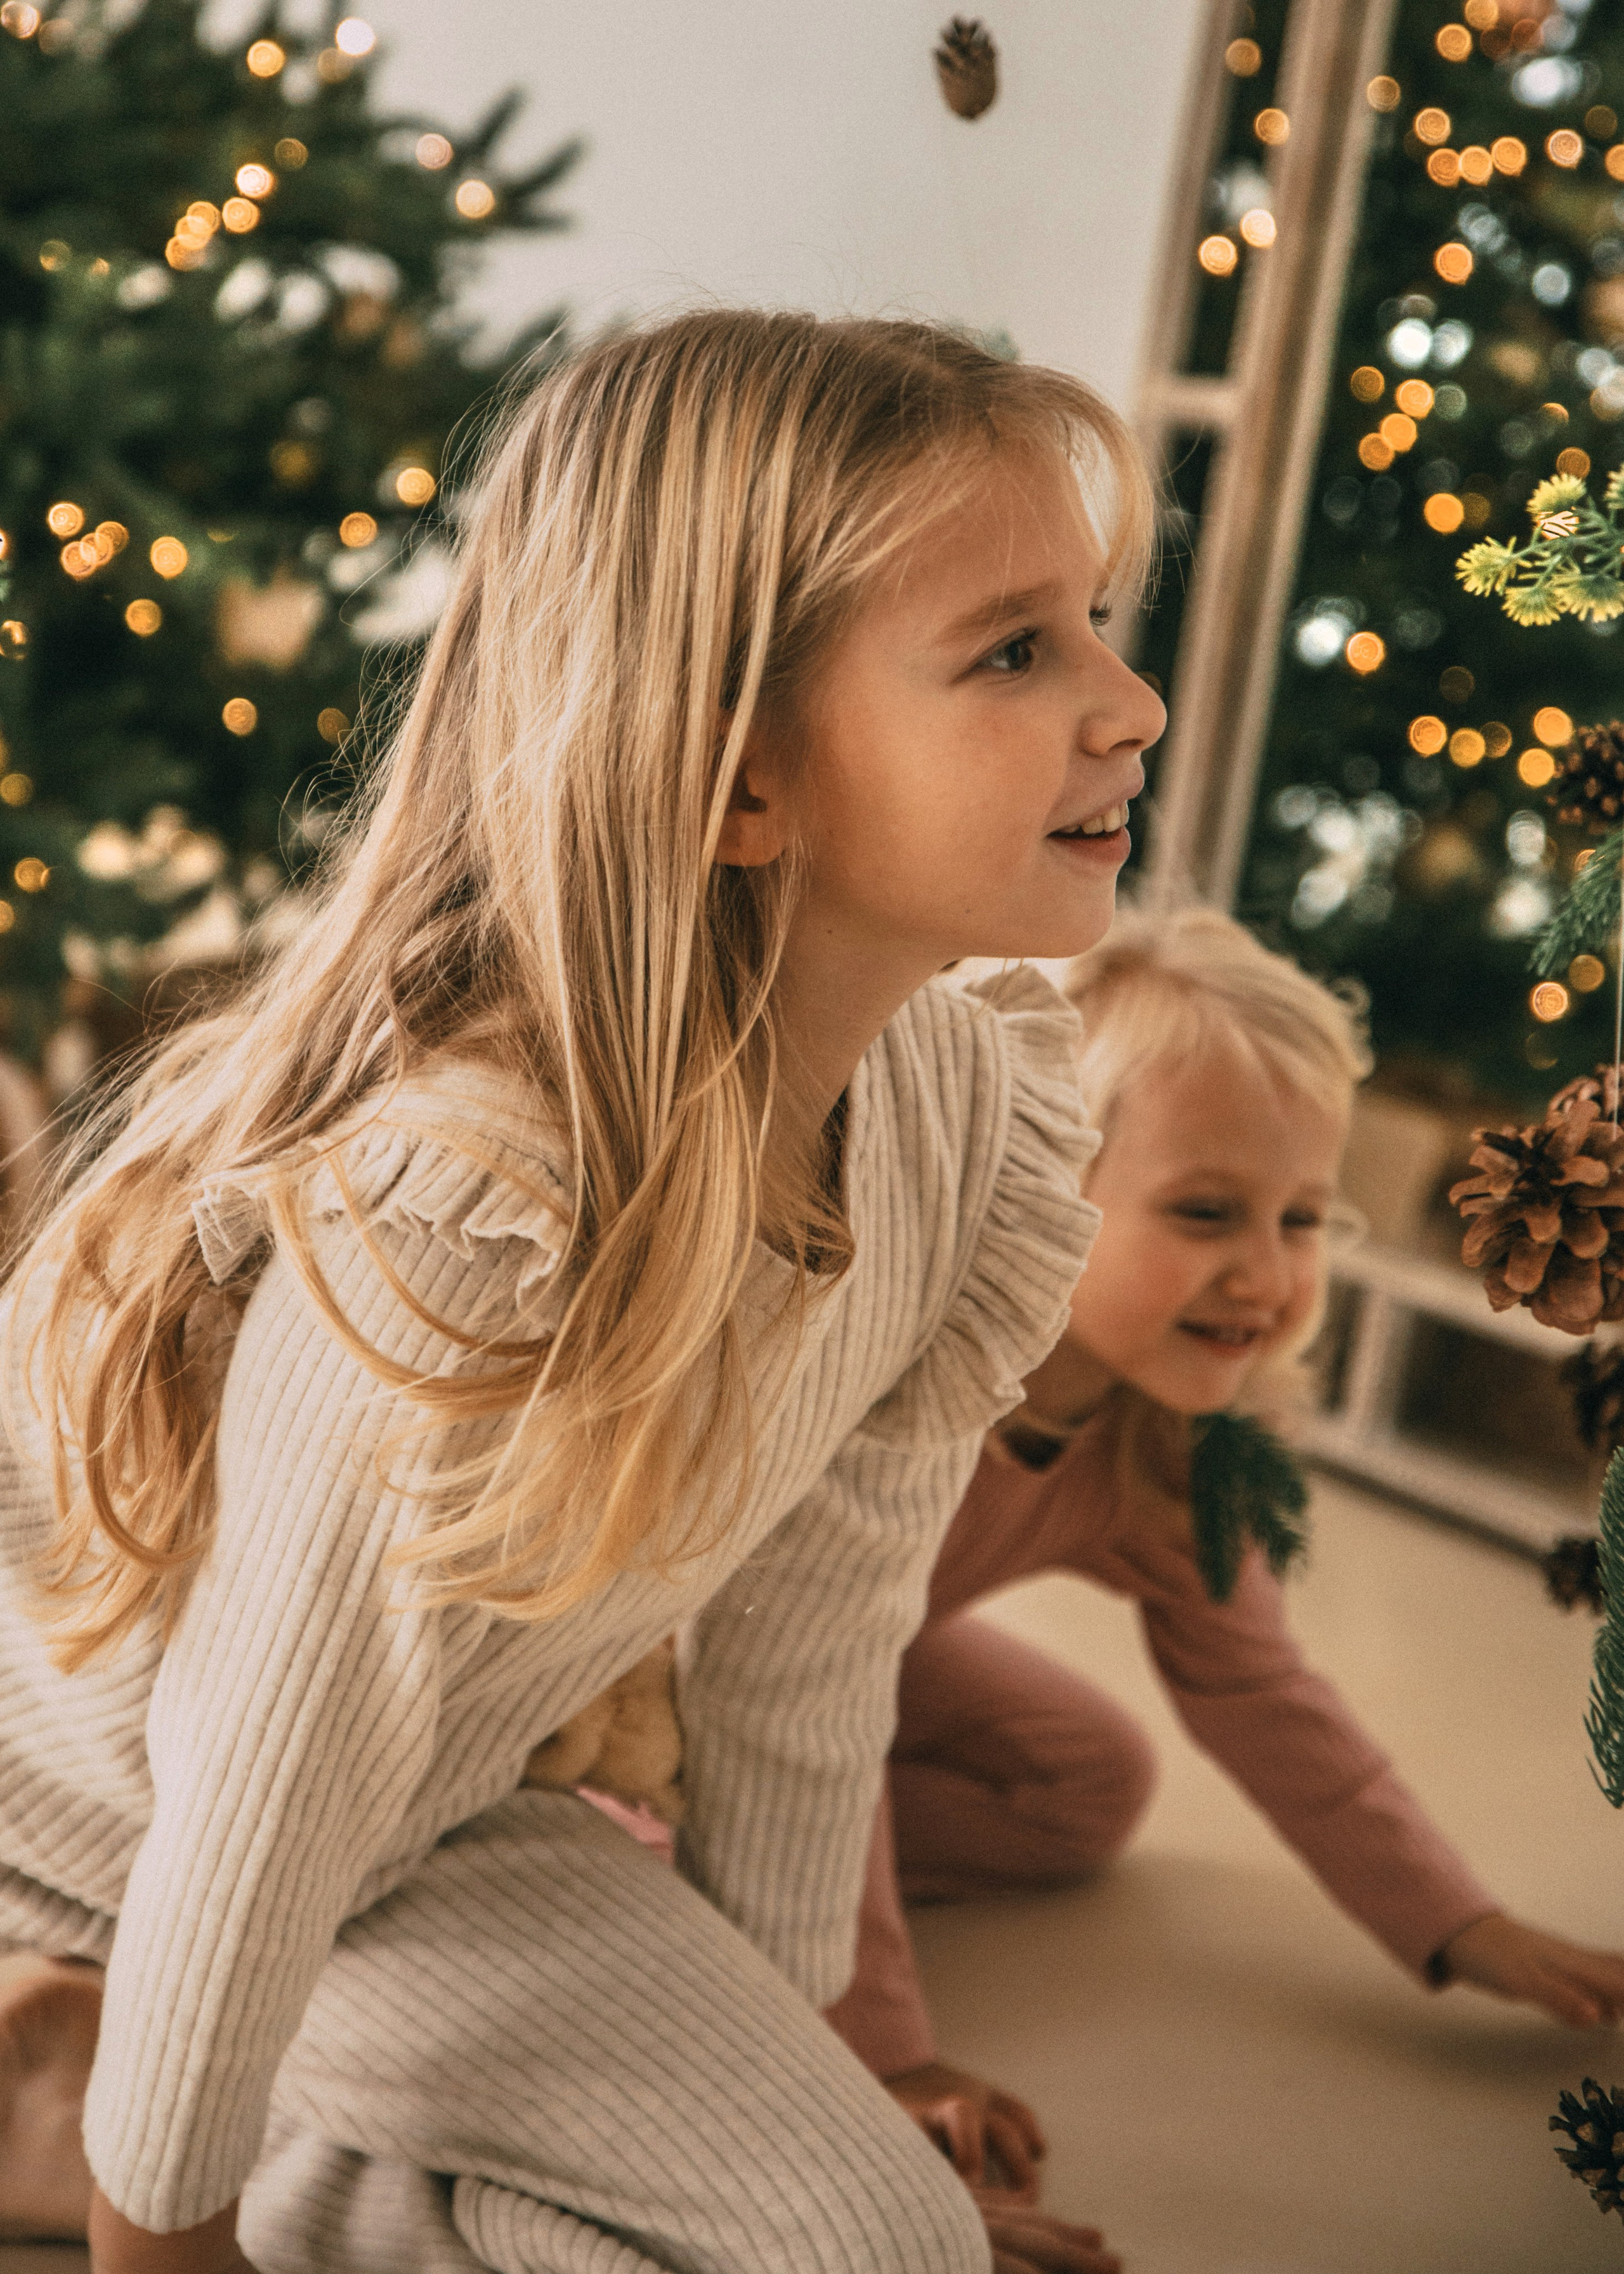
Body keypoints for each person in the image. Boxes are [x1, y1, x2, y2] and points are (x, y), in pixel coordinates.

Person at [0, 312, 1163, 2274]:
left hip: (448, 1812)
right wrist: (159, 2245)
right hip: (136, 1828)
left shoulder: (969, 1108)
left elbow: (813, 1644)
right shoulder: (468, 1211)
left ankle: (318, 2162)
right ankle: (113, 2103)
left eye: (1101, 622)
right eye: (1015, 651)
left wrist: (810, 2098)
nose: (1129, 704)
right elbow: (258, 1811)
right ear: (740, 787)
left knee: (883, 2252)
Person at [825, 907, 1624, 2199]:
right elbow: (815, 1705)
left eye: (1301, 1218)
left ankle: (759, 1871)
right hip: (672, 1670)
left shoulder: (1170, 1454)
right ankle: (716, 1867)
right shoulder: (897, 1392)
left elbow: (1259, 1692)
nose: (1264, 1273)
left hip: (870, 1654)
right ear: (1030, 1184)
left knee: (1087, 1781)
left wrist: (1457, 1921)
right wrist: (887, 2049)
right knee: (817, 1749)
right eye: (1205, 1211)